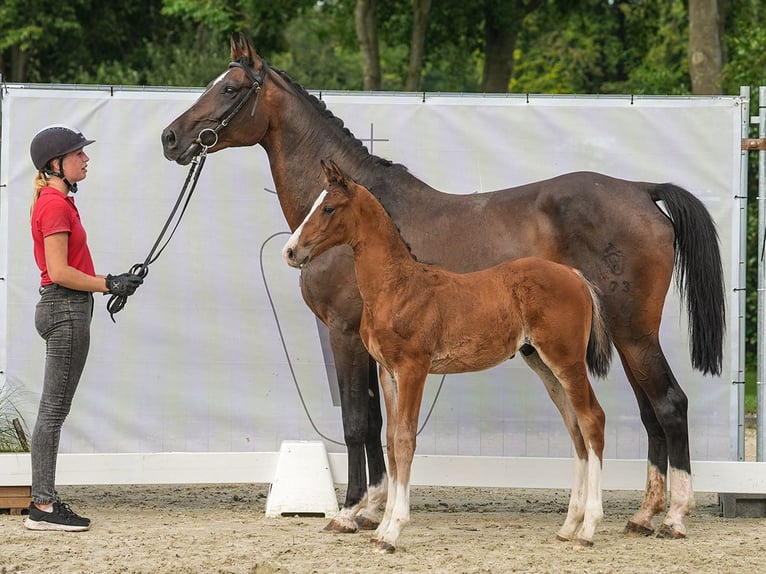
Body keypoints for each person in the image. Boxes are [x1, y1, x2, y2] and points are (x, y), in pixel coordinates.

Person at [25, 125, 143, 531]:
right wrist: (109, 283)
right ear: (56, 164)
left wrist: (111, 282)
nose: (86, 158)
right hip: (66, 309)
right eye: (78, 154)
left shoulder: (56, 202)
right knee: (53, 412)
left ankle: (43, 501)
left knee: (53, 411)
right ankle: (42, 506)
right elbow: (59, 271)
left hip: (65, 308)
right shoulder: (55, 205)